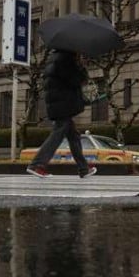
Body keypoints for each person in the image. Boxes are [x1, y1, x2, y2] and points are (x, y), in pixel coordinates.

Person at [25, 49, 97, 179]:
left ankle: (83, 168)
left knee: (74, 136)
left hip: (58, 103)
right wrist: (82, 69)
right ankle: (37, 164)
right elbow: (75, 80)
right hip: (62, 105)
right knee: (58, 132)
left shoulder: (54, 58)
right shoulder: (65, 59)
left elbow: (63, 84)